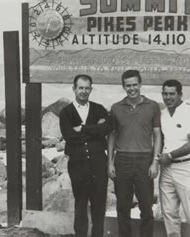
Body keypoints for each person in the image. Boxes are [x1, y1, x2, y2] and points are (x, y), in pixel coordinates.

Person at [107, 69, 162, 237]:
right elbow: (112, 136)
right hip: (122, 160)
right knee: (122, 207)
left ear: (140, 84)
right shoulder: (116, 108)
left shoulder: (153, 106)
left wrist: (155, 162)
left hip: (145, 160)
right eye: (128, 85)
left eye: (135, 85)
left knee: (146, 207)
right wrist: (110, 162)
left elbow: (158, 134)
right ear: (124, 86)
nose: (132, 89)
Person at [59, 74, 111, 237]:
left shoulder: (99, 108)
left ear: (91, 89)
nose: (83, 91)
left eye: (87, 88)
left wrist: (82, 128)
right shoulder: (66, 112)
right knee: (80, 204)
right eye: (80, 88)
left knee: (99, 205)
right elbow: (69, 137)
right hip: (77, 165)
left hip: (98, 164)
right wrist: (95, 129)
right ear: (74, 89)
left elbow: (107, 128)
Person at [157, 79, 190, 237]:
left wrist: (170, 155)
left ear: (180, 94)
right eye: (165, 93)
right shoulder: (162, 114)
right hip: (166, 170)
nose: (168, 97)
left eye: (172, 94)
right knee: (169, 214)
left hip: (186, 168)